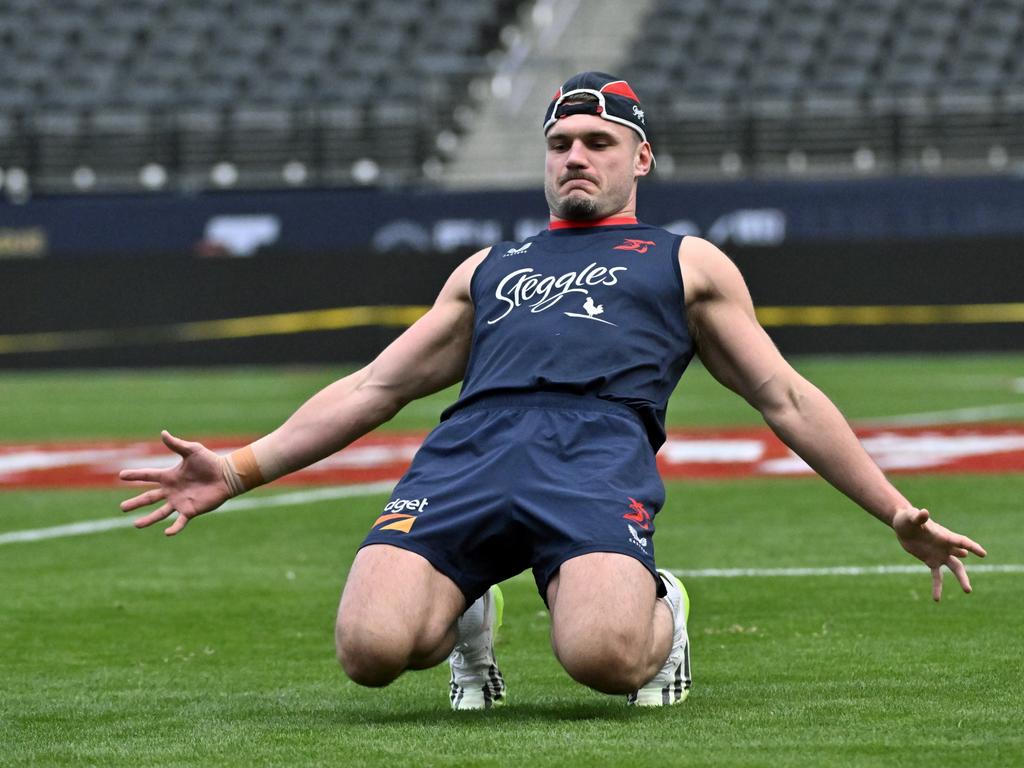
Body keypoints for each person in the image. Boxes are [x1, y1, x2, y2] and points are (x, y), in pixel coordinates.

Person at [119, 72, 987, 711]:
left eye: (598, 143)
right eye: (561, 144)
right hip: (468, 452)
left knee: (605, 660)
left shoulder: (685, 261)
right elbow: (378, 385)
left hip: (594, 454)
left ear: (639, 157)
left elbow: (786, 398)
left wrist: (895, 511)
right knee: (370, 650)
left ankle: (663, 608)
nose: (575, 157)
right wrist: (235, 471)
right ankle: (468, 614)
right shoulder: (490, 267)